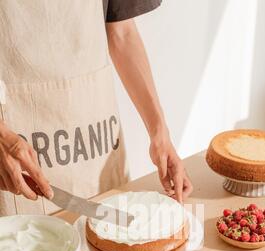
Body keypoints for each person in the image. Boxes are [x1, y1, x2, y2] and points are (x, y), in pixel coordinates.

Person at [0, 0, 193, 216]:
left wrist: (160, 132)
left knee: (111, 240)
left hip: (96, 140)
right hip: (14, 150)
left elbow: (121, 31)